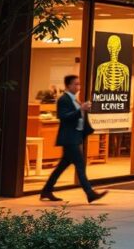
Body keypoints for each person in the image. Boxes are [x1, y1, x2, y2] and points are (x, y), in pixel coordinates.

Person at [39, 75, 108, 203]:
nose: (78, 87)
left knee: (62, 166)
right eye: (75, 84)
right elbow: (64, 117)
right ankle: (90, 193)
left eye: (79, 84)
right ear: (68, 86)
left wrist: (84, 111)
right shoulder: (64, 100)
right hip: (69, 138)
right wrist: (81, 109)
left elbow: (80, 117)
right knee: (80, 165)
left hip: (75, 137)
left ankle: (46, 190)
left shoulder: (75, 100)